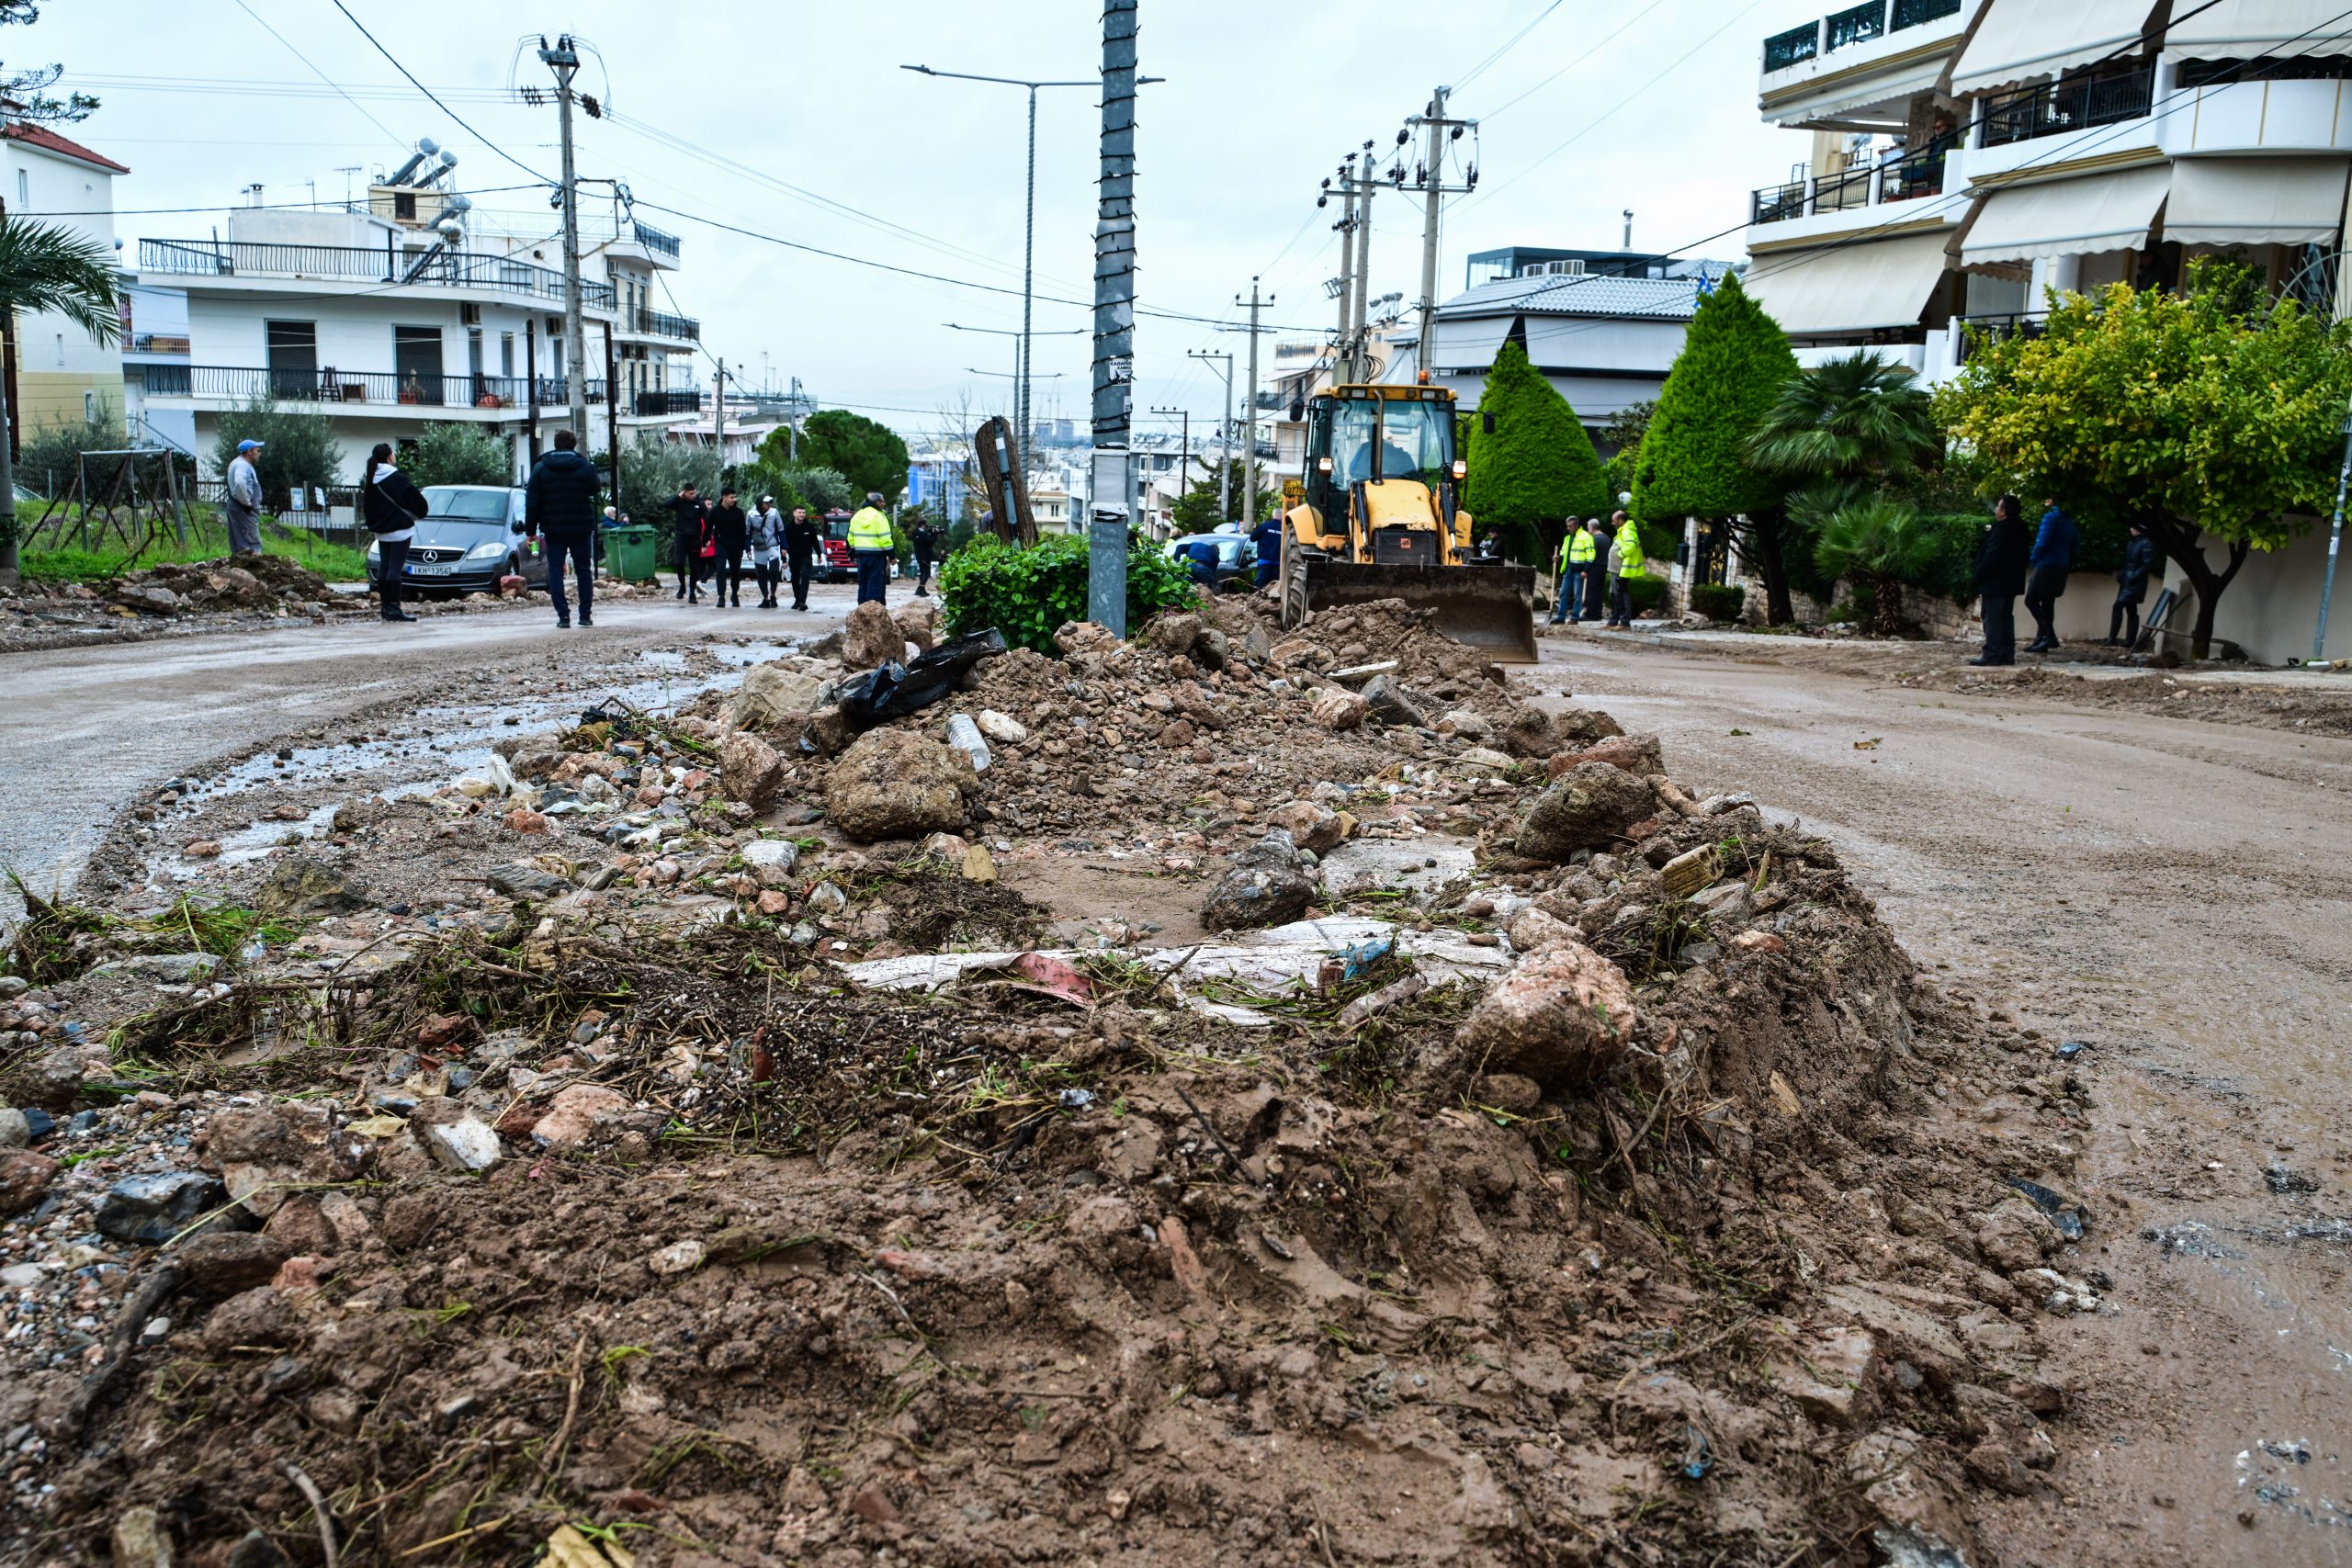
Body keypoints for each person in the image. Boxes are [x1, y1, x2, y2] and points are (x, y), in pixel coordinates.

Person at [524, 428, 600, 629]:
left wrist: (530, 531)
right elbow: (595, 488)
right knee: (584, 569)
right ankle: (585, 615)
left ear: (555, 444)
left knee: (555, 569)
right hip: (581, 525)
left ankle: (563, 616)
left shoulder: (541, 468)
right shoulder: (585, 466)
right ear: (574, 445)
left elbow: (532, 502)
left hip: (553, 527)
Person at [359, 441, 425, 624]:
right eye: (393, 453)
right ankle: (395, 609)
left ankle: (385, 607)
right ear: (389, 457)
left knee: (384, 567)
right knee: (395, 569)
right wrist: (418, 513)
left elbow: (368, 506)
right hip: (400, 530)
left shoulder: (371, 478)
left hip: (381, 531)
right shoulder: (397, 478)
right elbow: (416, 500)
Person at [1970, 494, 2030, 667]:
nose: (1996, 510)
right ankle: (2006, 653)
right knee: (2005, 617)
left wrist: (1978, 574)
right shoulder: (2021, 528)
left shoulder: (2001, 530)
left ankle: (1992, 654)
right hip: (2012, 581)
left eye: (1998, 507)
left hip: (1995, 582)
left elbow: (1992, 555)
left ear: (2004, 511)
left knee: (1993, 618)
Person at [2024, 498, 2077, 652]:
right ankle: (2041, 640)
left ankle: (2049, 636)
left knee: (2031, 600)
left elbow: (2042, 542)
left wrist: (2033, 559)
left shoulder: (2051, 518)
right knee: (2048, 603)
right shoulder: (2069, 520)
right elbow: (2075, 542)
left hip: (2046, 565)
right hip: (2061, 565)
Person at [2109, 520, 2154, 649]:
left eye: (2135, 527)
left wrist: (2133, 576)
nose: (2132, 529)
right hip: (2128, 581)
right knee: (2130, 609)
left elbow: (2146, 564)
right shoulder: (2133, 543)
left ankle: (2115, 638)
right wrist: (2123, 575)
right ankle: (2127, 640)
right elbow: (2128, 562)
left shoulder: (2146, 543)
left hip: (2134, 582)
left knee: (2119, 606)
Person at [847, 491, 894, 604]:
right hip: (876, 556)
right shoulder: (880, 516)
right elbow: (885, 539)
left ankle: (861, 608)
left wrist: (853, 551)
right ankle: (872, 609)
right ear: (877, 502)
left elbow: (850, 537)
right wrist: (892, 555)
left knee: (863, 583)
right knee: (875, 583)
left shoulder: (857, 516)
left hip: (861, 555)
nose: (884, 504)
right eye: (882, 502)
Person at [667, 480, 709, 603]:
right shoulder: (679, 502)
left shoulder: (700, 504)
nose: (693, 495)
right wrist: (678, 496)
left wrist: (706, 540)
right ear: (684, 493)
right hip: (681, 538)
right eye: (690, 493)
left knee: (694, 567)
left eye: (694, 493)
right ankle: (682, 586)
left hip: (695, 539)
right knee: (679, 563)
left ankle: (692, 593)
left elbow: (707, 521)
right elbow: (666, 504)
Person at [222, 438, 266, 557]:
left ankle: (241, 565)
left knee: (239, 543)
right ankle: (254, 565)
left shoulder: (237, 463)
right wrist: (246, 503)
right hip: (243, 508)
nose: (260, 453)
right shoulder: (242, 465)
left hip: (237, 506)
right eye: (257, 450)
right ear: (249, 452)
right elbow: (240, 483)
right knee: (252, 543)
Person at [709, 485, 748, 608]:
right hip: (721, 544)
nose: (734, 500)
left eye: (735, 497)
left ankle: (734, 594)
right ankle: (721, 596)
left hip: (736, 546)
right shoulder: (715, 511)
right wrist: (705, 542)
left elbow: (743, 530)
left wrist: (743, 547)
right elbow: (709, 528)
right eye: (731, 497)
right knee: (720, 569)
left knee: (735, 572)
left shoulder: (738, 512)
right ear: (724, 497)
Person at [746, 494, 786, 609]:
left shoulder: (774, 512)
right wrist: (748, 549)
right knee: (761, 574)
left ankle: (773, 594)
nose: (769, 504)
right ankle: (765, 598)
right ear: (760, 503)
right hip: (758, 547)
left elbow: (781, 529)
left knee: (774, 570)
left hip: (772, 545)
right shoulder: (751, 514)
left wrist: (784, 546)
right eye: (766, 502)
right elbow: (747, 532)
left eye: (770, 502)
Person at [1608, 511, 1645, 627]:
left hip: (1621, 569)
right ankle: (1613, 621)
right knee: (1614, 594)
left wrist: (1620, 554)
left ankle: (1624, 622)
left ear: (1620, 520)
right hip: (1616, 569)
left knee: (1621, 594)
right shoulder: (1622, 531)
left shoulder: (1627, 531)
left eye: (1614, 521)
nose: (1612, 523)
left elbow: (1630, 545)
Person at [785, 504, 820, 611]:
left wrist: (819, 554)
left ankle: (802, 601)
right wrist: (783, 559)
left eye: (803, 513)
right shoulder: (788, 528)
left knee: (805, 577)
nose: (802, 514)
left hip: (806, 557)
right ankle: (797, 599)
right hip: (794, 557)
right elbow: (784, 545)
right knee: (795, 579)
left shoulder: (809, 527)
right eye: (799, 512)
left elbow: (815, 541)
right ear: (794, 513)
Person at [1250, 509, 1284, 589]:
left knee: (1260, 589)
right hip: (1278, 566)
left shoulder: (1265, 526)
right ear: (1282, 517)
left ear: (1273, 516)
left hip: (1264, 564)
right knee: (1275, 590)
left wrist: (1255, 529)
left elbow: (1252, 538)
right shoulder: (1284, 529)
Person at [911, 516, 940, 597]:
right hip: (925, 556)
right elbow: (930, 542)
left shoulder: (915, 533)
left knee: (922, 572)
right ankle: (919, 589)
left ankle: (922, 590)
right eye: (925, 525)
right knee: (926, 573)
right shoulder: (923, 534)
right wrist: (934, 534)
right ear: (923, 525)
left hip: (919, 556)